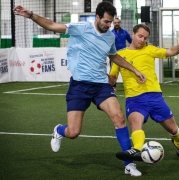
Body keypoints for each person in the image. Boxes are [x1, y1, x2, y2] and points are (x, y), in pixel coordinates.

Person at [13, 2, 146, 177]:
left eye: (111, 22)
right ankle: (59, 130)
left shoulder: (110, 36)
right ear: (97, 17)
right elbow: (52, 25)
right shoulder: (80, 28)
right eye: (106, 21)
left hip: (100, 85)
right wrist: (31, 15)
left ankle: (129, 164)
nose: (109, 25)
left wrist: (134, 70)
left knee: (119, 118)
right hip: (79, 86)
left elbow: (114, 56)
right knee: (73, 132)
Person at [108, 24, 179, 167]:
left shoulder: (150, 49)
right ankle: (136, 150)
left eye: (145, 38)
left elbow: (170, 51)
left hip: (155, 97)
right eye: (140, 36)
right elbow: (112, 78)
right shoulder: (120, 55)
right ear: (133, 34)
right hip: (134, 99)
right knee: (135, 124)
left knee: (173, 130)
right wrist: (107, 80)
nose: (142, 40)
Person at [111, 18, 132, 91]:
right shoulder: (110, 33)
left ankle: (129, 85)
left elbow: (131, 41)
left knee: (127, 70)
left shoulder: (125, 32)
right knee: (113, 72)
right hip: (114, 55)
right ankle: (113, 86)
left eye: (118, 22)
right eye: (115, 23)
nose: (116, 24)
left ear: (120, 23)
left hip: (124, 55)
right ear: (113, 23)